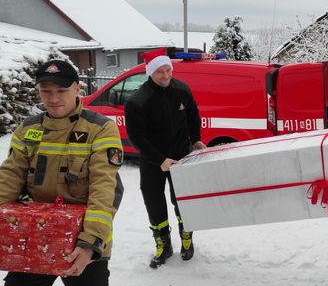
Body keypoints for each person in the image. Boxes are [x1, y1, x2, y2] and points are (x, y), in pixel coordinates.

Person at [0, 60, 124, 286]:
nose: (54, 98)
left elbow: (104, 189)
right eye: (46, 91)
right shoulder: (28, 129)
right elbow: (9, 177)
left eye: (62, 90)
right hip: (34, 234)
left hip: (84, 241)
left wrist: (89, 244)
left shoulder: (100, 128)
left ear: (78, 88)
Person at [124, 48, 206, 268]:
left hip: (181, 156)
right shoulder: (138, 101)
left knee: (182, 200)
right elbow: (136, 137)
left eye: (168, 69)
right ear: (150, 72)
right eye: (160, 71)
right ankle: (163, 244)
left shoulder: (182, 90)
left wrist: (196, 139)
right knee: (154, 202)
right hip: (153, 160)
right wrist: (160, 160)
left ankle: (186, 239)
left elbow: (193, 116)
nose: (166, 75)